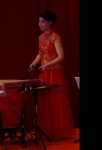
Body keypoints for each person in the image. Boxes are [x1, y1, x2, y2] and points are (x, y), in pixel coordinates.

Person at [28, 9, 75, 141]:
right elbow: (40, 54)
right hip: (44, 72)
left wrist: (46, 65)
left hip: (54, 72)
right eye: (39, 22)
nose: (40, 24)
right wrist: (34, 63)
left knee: (56, 101)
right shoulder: (41, 37)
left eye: (42, 22)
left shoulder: (56, 37)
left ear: (50, 22)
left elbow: (61, 57)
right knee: (45, 101)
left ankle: (58, 131)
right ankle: (46, 130)